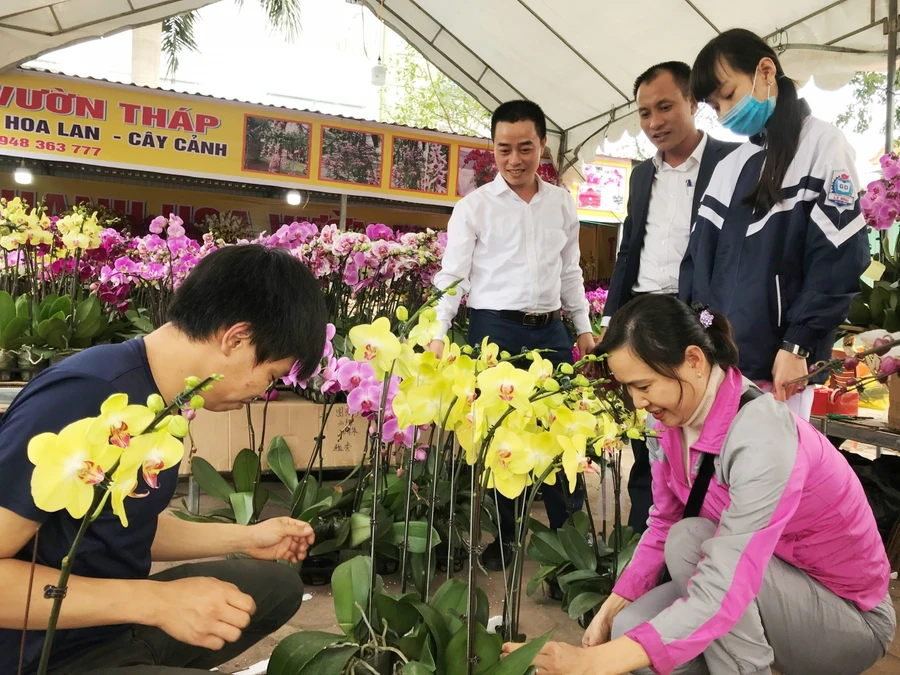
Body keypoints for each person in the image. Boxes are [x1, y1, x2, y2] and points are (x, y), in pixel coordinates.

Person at [503, 294, 895, 675]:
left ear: (693, 360)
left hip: (848, 619)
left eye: (644, 385)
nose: (637, 402)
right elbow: (662, 522)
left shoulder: (762, 437)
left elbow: (728, 580)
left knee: (692, 542)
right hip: (766, 586)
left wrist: (591, 664)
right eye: (629, 388)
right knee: (630, 625)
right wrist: (614, 604)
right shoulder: (671, 423)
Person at [0, 245, 328, 675]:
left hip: (109, 624)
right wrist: (155, 602)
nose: (263, 392)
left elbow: (123, 523)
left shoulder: (159, 400)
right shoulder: (83, 396)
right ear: (236, 339)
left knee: (276, 586)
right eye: (270, 376)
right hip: (38, 652)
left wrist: (246, 539)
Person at [428, 99, 594, 573]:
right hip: (494, 330)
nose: (516, 160)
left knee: (564, 434)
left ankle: (571, 551)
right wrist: (439, 331)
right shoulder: (474, 208)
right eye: (505, 150)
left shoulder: (561, 203)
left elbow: (570, 272)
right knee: (500, 437)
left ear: (543, 144)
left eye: (526, 148)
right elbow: (452, 276)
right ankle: (503, 541)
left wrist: (582, 329)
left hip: (553, 330)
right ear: (493, 149)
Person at [680, 28, 870, 421]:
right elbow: (697, 265)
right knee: (713, 479)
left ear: (766, 71)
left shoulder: (823, 145)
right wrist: (694, 340)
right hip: (718, 369)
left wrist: (798, 344)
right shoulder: (729, 167)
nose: (724, 114)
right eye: (715, 107)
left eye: (728, 96)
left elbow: (838, 259)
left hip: (780, 367)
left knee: (771, 476)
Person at [602, 61, 738, 534]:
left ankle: (700, 536)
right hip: (640, 314)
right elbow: (629, 247)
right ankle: (645, 536)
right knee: (646, 433)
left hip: (691, 318)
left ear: (693, 103)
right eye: (644, 113)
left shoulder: (731, 162)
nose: (654, 122)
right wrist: (611, 321)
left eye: (665, 107)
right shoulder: (641, 175)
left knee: (696, 428)